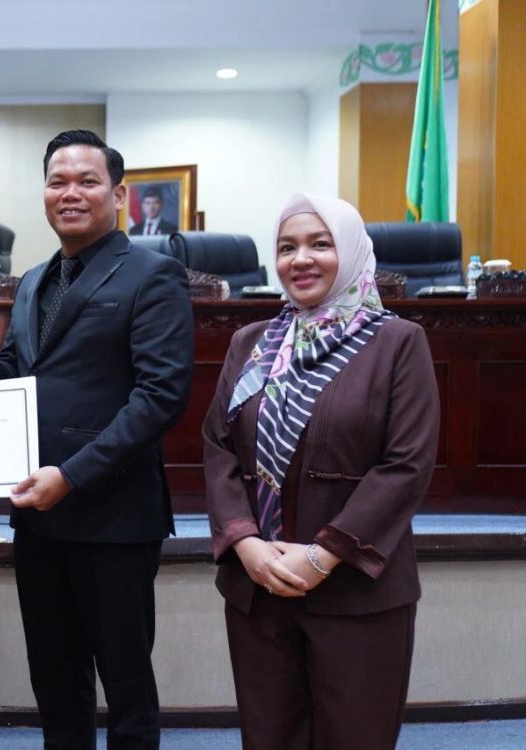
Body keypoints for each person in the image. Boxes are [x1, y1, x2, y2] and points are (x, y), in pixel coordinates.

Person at [0, 130, 194, 748]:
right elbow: (22, 372)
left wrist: (72, 475)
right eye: (58, 181)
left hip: (113, 516)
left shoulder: (153, 275)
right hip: (38, 515)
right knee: (55, 682)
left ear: (119, 194)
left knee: (126, 686)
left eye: (87, 181)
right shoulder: (33, 280)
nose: (70, 193)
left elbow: (160, 398)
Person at [202, 193, 439, 749]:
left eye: (320, 244)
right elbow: (218, 447)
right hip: (261, 586)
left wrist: (322, 555)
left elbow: (406, 465)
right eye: (287, 248)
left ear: (351, 251)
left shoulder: (398, 343)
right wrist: (246, 544)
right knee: (270, 737)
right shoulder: (250, 343)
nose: (300, 259)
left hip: (356, 588)